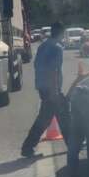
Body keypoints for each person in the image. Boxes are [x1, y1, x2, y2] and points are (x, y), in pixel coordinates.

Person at [21, 22, 70, 157]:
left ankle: (72, 143)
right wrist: (55, 92)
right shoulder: (57, 48)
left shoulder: (43, 46)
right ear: (60, 33)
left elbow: (37, 66)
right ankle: (27, 147)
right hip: (51, 88)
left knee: (53, 116)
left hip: (43, 87)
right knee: (60, 115)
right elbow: (54, 70)